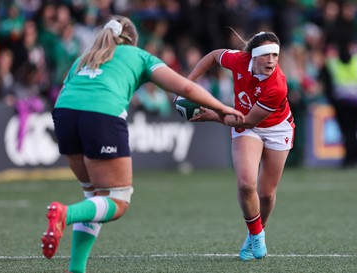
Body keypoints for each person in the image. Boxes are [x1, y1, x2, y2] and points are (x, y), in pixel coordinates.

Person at [40, 15, 243, 273]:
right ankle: (63, 214)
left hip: (64, 114)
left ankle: (76, 270)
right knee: (118, 200)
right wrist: (222, 107)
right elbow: (186, 89)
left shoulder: (83, 58)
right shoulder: (139, 56)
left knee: (93, 197)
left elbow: (68, 88)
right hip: (101, 113)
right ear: (133, 41)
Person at [188, 31, 295, 261]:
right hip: (246, 125)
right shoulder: (239, 60)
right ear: (253, 57)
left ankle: (254, 233)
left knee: (266, 194)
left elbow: (248, 120)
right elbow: (214, 56)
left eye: (275, 55)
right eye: (266, 55)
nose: (271, 60)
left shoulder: (277, 86)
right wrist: (190, 81)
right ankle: (257, 235)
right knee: (247, 184)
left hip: (276, 128)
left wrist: (211, 114)